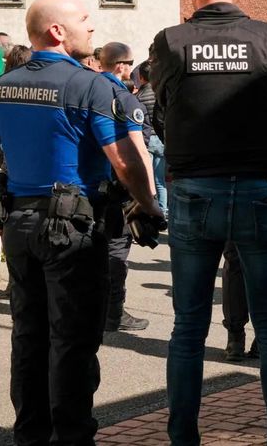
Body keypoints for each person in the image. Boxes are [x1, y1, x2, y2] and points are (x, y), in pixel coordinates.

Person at [0, 0, 160, 445]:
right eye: (83, 20)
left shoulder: (1, 87)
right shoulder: (91, 86)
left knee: (28, 336)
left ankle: (30, 435)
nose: (91, 27)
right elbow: (124, 161)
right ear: (57, 31)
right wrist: (148, 206)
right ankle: (71, 436)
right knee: (73, 341)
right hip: (73, 230)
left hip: (18, 225)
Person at [151, 0, 267, 446]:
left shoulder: (170, 41)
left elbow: (162, 110)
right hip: (260, 187)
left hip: (195, 189)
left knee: (188, 327)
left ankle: (183, 437)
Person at [97, 41, 152, 333]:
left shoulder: (87, 91)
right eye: (130, 63)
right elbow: (138, 152)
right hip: (116, 187)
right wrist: (149, 197)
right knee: (117, 250)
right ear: (122, 66)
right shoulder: (124, 99)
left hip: (88, 186)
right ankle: (113, 313)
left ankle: (96, 308)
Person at [134, 61, 166, 215]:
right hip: (161, 139)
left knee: (148, 180)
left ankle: (151, 211)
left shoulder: (138, 97)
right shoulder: (160, 93)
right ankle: (164, 210)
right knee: (160, 181)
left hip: (146, 140)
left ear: (141, 77)